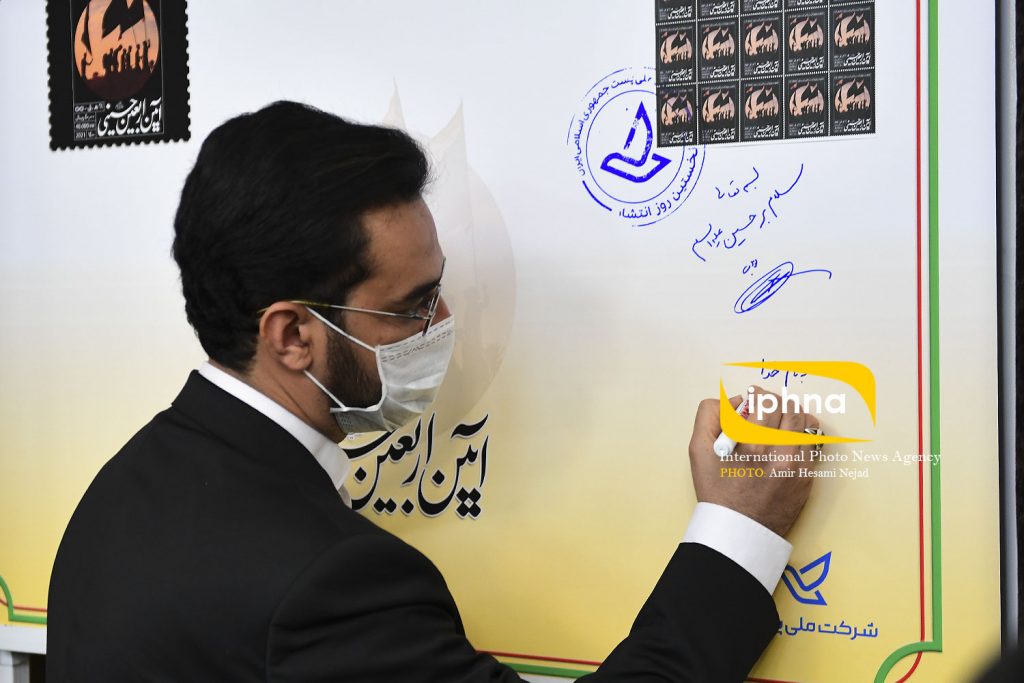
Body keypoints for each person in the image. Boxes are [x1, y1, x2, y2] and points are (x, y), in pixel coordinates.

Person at [47, 101, 819, 682]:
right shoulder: (329, 583)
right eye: (411, 306)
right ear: (291, 335)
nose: (442, 323)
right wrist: (738, 533)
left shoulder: (119, 493)